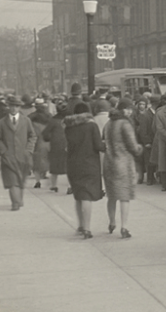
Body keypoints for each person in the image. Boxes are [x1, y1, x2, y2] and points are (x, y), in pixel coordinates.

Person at [103, 99, 143, 238]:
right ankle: (124, 227)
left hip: (109, 162)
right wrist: (139, 149)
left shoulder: (108, 124)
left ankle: (112, 222)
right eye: (127, 109)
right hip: (123, 163)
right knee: (124, 196)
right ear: (122, 109)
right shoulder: (125, 124)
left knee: (112, 195)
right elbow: (132, 146)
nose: (130, 112)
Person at [64, 101, 105, 238]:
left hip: (73, 165)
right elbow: (98, 145)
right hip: (89, 164)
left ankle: (80, 225)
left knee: (78, 196)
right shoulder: (91, 126)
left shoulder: (68, 127)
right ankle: (87, 228)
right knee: (87, 196)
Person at [0, 96, 37, 211]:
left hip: (23, 156)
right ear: (8, 107)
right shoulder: (2, 122)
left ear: (19, 107)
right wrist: (3, 150)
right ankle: (15, 203)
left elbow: (33, 136)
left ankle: (18, 199)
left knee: (20, 180)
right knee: (12, 182)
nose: (14, 109)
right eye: (12, 106)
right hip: (8, 156)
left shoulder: (26, 120)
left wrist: (29, 150)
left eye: (16, 106)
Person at [42, 101, 69, 193]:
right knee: (68, 166)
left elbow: (45, 133)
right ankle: (70, 186)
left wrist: (49, 139)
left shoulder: (53, 121)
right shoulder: (71, 120)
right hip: (68, 144)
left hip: (55, 144)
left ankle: (54, 185)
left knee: (54, 166)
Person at [30, 99, 51, 189]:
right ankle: (45, 173)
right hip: (47, 141)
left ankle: (37, 181)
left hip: (36, 141)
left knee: (36, 161)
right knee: (46, 158)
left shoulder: (31, 117)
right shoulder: (49, 116)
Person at [132, 98, 150, 184]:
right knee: (139, 159)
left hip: (145, 138)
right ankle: (140, 176)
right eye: (140, 104)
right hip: (137, 138)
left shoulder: (148, 114)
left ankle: (149, 175)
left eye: (143, 104)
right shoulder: (134, 115)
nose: (141, 106)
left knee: (147, 159)